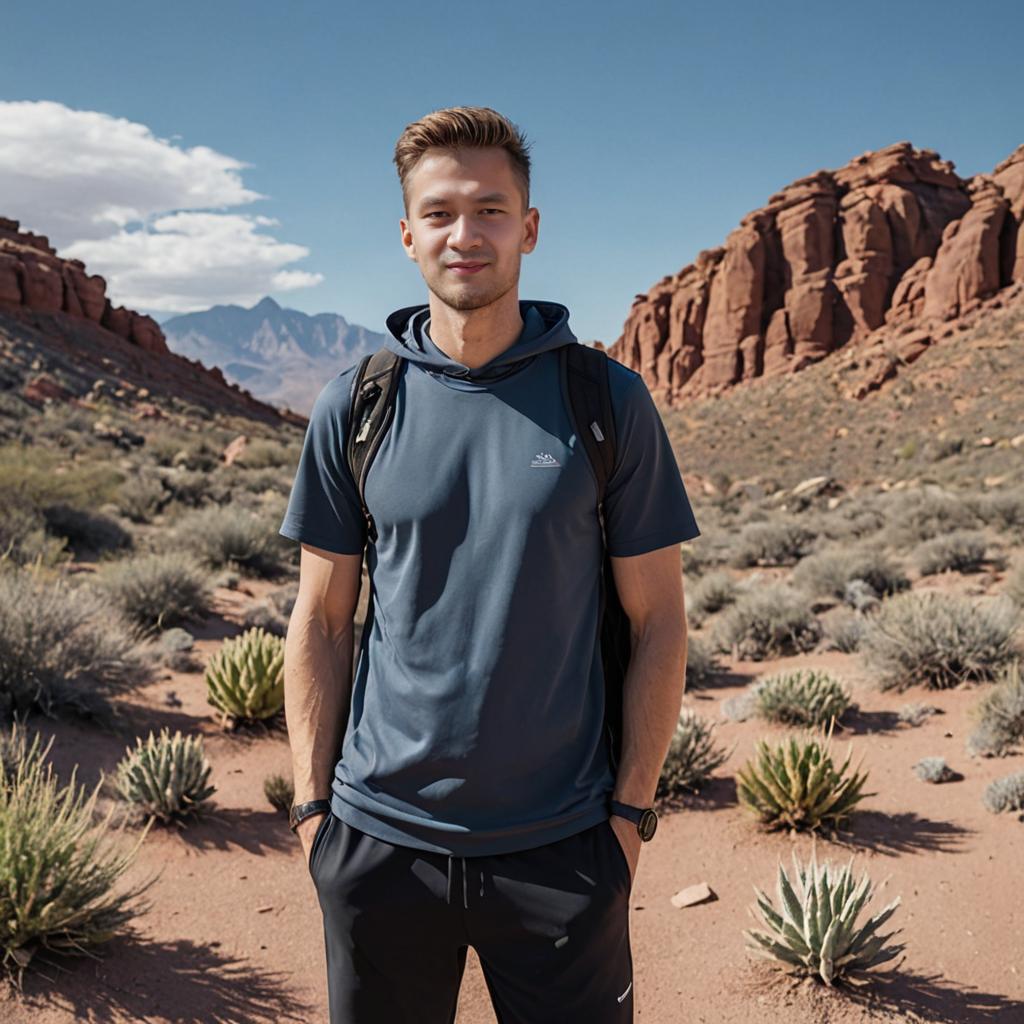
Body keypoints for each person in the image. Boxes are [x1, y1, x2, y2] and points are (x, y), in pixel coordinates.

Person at [278, 105, 700, 1024]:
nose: (464, 235)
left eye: (490, 210)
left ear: (530, 228)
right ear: (406, 234)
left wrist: (628, 820)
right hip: (378, 844)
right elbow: (319, 619)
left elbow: (660, 620)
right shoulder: (355, 406)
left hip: (566, 849)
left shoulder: (606, 401)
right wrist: (316, 815)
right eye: (438, 213)